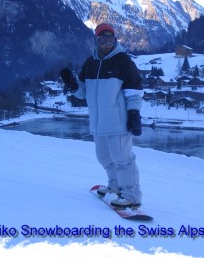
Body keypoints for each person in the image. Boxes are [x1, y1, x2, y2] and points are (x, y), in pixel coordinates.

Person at [60, 22, 144, 209]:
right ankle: (115, 187)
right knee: (104, 157)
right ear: (97, 40)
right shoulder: (90, 63)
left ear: (115, 39)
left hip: (118, 121)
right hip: (98, 122)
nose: (107, 42)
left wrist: (134, 114)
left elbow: (134, 92)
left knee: (123, 158)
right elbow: (83, 92)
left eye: (110, 38)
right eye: (103, 38)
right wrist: (72, 85)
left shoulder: (123, 61)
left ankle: (131, 194)